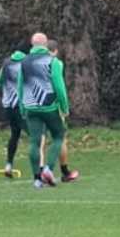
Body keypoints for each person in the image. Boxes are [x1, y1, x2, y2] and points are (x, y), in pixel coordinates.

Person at [17, 32, 69, 188]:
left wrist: (22, 106)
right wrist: (64, 106)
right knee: (59, 135)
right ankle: (48, 168)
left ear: (32, 45)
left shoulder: (24, 62)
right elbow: (59, 87)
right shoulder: (52, 62)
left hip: (30, 106)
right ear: (46, 45)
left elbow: (20, 86)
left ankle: (37, 179)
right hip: (49, 106)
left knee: (35, 141)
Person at [41, 39, 80, 182]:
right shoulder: (56, 63)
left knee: (41, 139)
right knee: (60, 138)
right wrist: (64, 107)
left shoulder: (35, 63)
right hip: (53, 106)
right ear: (56, 51)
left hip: (36, 105)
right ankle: (64, 171)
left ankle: (39, 171)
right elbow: (59, 87)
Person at [0, 41, 31, 177]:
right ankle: (41, 167)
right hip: (21, 105)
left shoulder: (6, 63)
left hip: (8, 106)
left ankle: (9, 164)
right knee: (35, 136)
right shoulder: (26, 64)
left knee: (14, 135)